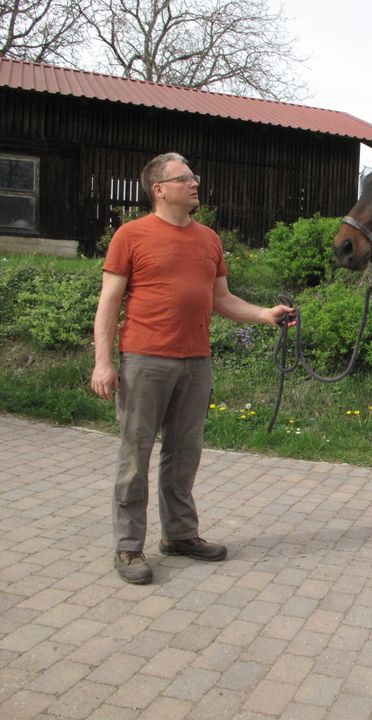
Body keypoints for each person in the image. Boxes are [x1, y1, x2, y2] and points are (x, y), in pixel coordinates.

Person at [91, 152, 294, 584]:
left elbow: (222, 300)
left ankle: (180, 536)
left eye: (195, 176)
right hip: (145, 360)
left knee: (185, 454)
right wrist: (104, 362)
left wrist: (264, 314)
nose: (195, 183)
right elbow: (109, 301)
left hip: (195, 362)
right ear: (159, 189)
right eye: (184, 178)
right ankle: (129, 548)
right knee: (135, 455)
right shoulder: (131, 235)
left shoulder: (208, 240)